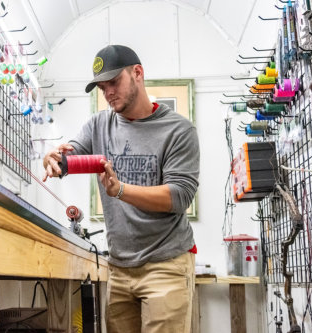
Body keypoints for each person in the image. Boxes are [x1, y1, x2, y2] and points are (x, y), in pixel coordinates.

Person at [42, 45, 200, 333]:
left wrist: (120, 190)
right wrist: (55, 159)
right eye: (102, 87)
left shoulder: (178, 130)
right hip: (119, 267)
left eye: (114, 82)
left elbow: (179, 196)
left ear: (137, 73)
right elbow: (72, 156)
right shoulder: (99, 125)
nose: (108, 93)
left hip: (166, 265)